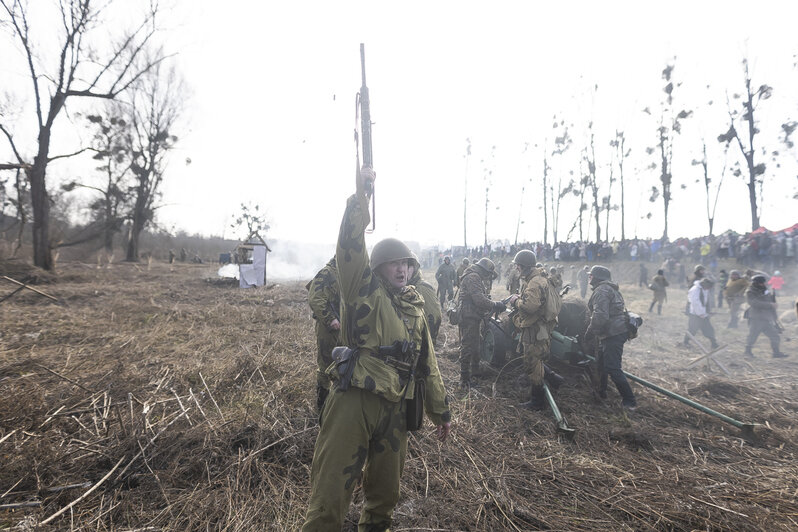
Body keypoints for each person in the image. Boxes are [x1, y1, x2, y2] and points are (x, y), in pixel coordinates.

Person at [301, 167, 451, 532]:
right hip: (356, 397)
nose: (402, 270)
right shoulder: (362, 289)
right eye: (394, 264)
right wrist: (361, 199)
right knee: (329, 496)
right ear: (379, 268)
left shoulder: (415, 307)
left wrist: (441, 411)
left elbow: (427, 364)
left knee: (385, 498)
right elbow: (350, 247)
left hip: (396, 407)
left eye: (407, 265)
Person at [508, 250, 562, 409]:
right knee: (536, 357)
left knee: (531, 362)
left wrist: (515, 301)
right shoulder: (538, 278)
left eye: (518, 265)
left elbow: (530, 306)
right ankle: (554, 378)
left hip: (535, 328)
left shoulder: (534, 282)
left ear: (524, 266)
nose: (516, 268)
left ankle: (537, 401)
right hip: (540, 327)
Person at [584, 265, 637, 410]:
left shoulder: (601, 291)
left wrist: (589, 333)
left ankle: (630, 401)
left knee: (613, 368)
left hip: (613, 333)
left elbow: (600, 316)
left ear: (597, 277)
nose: (589, 277)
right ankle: (601, 392)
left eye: (591, 275)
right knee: (601, 363)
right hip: (613, 332)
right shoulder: (611, 289)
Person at [457, 257, 504, 388]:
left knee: (476, 343)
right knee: (468, 345)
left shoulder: (474, 275)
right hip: (469, 316)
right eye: (488, 273)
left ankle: (475, 372)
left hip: (473, 315)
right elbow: (479, 300)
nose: (488, 276)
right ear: (484, 270)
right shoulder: (473, 277)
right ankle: (464, 379)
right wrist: (495, 304)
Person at [306, 257, 341, 411]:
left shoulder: (347, 273)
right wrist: (330, 319)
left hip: (344, 328)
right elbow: (315, 298)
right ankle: (323, 406)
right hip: (329, 329)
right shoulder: (327, 273)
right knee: (326, 366)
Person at [744, 274, 787, 358]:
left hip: (766, 317)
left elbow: (770, 301)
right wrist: (770, 305)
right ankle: (747, 352)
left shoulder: (765, 290)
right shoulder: (750, 291)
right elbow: (754, 303)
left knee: (774, 335)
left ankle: (776, 353)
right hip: (756, 318)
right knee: (753, 335)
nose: (764, 284)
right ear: (756, 283)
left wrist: (774, 312)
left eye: (764, 283)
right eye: (762, 283)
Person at [408, 255, 442, 343]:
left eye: (408, 266)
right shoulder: (404, 288)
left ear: (415, 268)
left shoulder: (422, 288)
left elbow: (434, 317)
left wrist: (427, 341)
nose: (404, 270)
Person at [682, 278, 719, 349]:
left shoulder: (705, 289)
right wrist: (701, 313)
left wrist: (707, 312)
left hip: (703, 314)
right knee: (692, 329)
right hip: (695, 314)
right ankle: (685, 342)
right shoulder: (695, 290)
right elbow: (695, 303)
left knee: (709, 329)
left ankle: (714, 343)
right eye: (708, 286)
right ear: (704, 284)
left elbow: (705, 302)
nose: (709, 288)